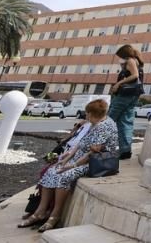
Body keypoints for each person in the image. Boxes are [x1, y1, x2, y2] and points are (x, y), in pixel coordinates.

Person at [20, 99, 119, 232]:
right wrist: (66, 159)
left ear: (91, 113)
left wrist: (73, 166)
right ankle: (40, 212)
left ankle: (55, 215)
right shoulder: (94, 123)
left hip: (96, 162)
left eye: (87, 113)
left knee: (64, 176)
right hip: (81, 158)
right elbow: (80, 144)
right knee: (51, 171)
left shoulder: (104, 126)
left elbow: (91, 153)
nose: (86, 115)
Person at [107, 44, 143, 160]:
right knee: (125, 122)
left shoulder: (130, 61)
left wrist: (118, 83)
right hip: (133, 95)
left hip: (124, 96)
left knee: (109, 120)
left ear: (124, 54)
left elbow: (135, 75)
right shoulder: (137, 61)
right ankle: (125, 151)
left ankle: (102, 147)